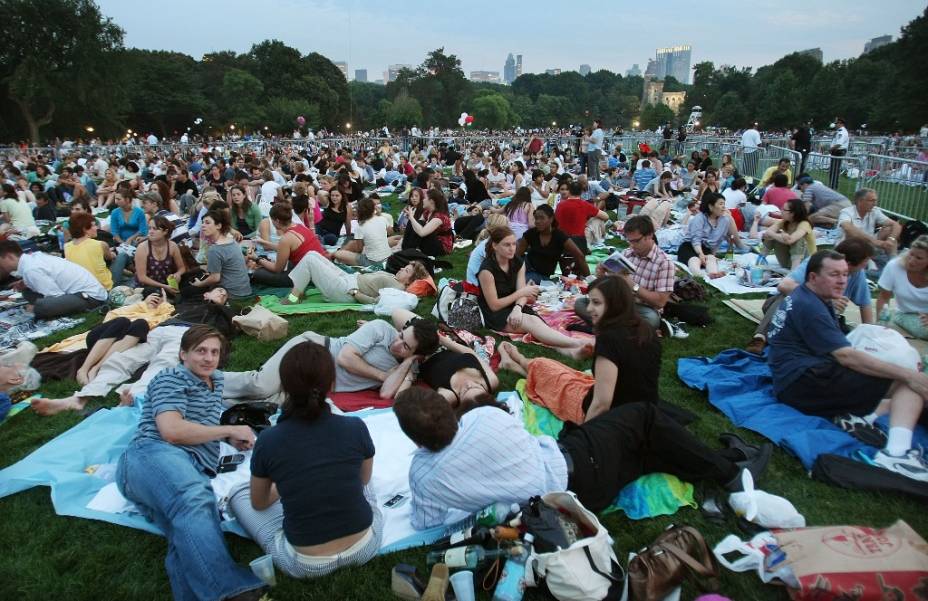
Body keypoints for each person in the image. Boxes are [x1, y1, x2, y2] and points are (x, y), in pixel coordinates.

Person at [394, 387, 771, 528]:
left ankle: (729, 460)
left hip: (581, 500)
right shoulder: (484, 417)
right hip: (576, 462)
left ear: (413, 436)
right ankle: (730, 471)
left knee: (646, 451)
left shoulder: (422, 477)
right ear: (449, 409)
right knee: (643, 415)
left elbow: (427, 522)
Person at [114, 326, 267, 601]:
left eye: (214, 352)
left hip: (185, 465)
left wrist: (230, 440)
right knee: (194, 499)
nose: (208, 358)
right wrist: (227, 431)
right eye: (200, 351)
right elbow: (171, 431)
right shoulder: (172, 378)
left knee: (183, 528)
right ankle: (229, 590)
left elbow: (198, 424)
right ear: (183, 354)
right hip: (151, 454)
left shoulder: (214, 381)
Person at [767, 250, 928, 482]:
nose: (843, 280)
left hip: (794, 379)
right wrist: (908, 375)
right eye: (834, 274)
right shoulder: (811, 308)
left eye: (845, 274)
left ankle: (866, 417)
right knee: (908, 383)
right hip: (804, 382)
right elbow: (846, 357)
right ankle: (896, 454)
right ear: (812, 277)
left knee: (893, 384)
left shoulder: (808, 296)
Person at [228, 342, 382, 579]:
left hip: (306, 564)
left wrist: (287, 484)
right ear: (332, 383)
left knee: (238, 494)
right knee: (366, 487)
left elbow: (259, 503)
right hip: (365, 547)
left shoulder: (269, 440)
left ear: (285, 386)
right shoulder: (355, 427)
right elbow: (364, 479)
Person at [30, 287, 234, 416]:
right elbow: (178, 291)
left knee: (161, 365)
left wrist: (219, 305)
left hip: (189, 335)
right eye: (219, 291)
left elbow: (230, 331)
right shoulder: (189, 301)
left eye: (224, 294)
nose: (222, 294)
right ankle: (80, 398)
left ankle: (131, 399)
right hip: (162, 329)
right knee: (123, 359)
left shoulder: (225, 313)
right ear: (207, 293)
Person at [500, 275, 662, 423]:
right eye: (590, 301)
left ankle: (518, 361)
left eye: (596, 303)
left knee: (545, 367)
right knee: (562, 374)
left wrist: (584, 439)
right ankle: (517, 365)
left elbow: (601, 404)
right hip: (642, 413)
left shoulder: (610, 339)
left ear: (615, 304)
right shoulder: (646, 331)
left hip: (609, 420)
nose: (590, 308)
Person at [223, 317, 439, 402]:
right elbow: (345, 358)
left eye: (406, 347)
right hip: (311, 350)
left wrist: (408, 365)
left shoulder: (406, 366)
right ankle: (204, 377)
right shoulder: (381, 329)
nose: (397, 344)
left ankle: (205, 399)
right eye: (402, 335)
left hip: (318, 382)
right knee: (260, 387)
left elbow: (386, 394)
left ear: (416, 355)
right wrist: (382, 375)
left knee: (267, 404)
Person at [478, 226, 591, 359]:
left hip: (514, 305)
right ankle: (576, 343)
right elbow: (494, 305)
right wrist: (521, 294)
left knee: (539, 325)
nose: (512, 248)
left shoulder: (518, 262)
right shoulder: (486, 270)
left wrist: (518, 307)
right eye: (507, 245)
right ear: (495, 246)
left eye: (514, 244)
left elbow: (522, 293)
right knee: (532, 322)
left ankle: (570, 352)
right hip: (495, 314)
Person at [746, 239, 875, 354]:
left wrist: (870, 336)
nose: (842, 280)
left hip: (819, 316)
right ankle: (760, 337)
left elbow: (865, 304)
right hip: (790, 305)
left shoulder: (857, 274)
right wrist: (826, 300)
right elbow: (784, 286)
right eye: (865, 262)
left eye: (844, 275)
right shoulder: (818, 262)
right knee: (788, 299)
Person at [0, 240, 107, 319]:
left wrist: (35, 308)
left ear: (9, 257)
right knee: (27, 292)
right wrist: (26, 283)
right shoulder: (33, 258)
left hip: (91, 297)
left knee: (41, 307)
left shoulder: (30, 269)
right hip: (79, 292)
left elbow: (56, 295)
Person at [281, 251, 428, 305]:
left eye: (406, 270)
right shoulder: (395, 279)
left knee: (309, 261)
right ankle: (298, 292)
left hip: (346, 290)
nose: (402, 268)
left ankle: (293, 298)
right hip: (349, 279)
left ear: (409, 280)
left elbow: (377, 302)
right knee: (312, 254)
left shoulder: (398, 288)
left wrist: (356, 294)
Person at [248, 204, 328, 288]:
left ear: (277, 221)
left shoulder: (286, 239)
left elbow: (277, 269)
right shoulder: (300, 227)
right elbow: (289, 249)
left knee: (258, 273)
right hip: (321, 268)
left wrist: (257, 259)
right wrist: (265, 243)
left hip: (309, 276)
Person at [517, 205, 589, 283]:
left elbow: (580, 256)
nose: (537, 221)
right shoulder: (531, 233)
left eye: (542, 218)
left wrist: (589, 279)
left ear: (551, 219)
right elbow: (517, 255)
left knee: (524, 280)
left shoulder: (559, 236)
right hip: (527, 267)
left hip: (542, 276)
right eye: (536, 218)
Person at [678, 192, 742, 278]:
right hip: (689, 246)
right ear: (711, 206)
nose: (724, 207)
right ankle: (700, 275)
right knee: (695, 260)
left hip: (705, 247)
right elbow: (695, 239)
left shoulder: (725, 220)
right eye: (720, 204)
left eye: (724, 204)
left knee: (711, 259)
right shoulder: (699, 218)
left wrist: (713, 254)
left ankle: (713, 274)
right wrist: (700, 254)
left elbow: (719, 240)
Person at [876, 235, 928, 340]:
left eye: (919, 258)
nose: (912, 260)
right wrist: (880, 324)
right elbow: (883, 297)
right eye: (911, 254)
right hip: (906, 313)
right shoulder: (894, 267)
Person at [193, 209, 252, 298]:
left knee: (190, 290)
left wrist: (200, 284)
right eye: (202, 223)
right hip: (245, 290)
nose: (203, 226)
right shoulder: (232, 241)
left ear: (219, 226)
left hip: (231, 294)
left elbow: (215, 278)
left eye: (207, 223)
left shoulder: (215, 249)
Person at [835, 188, 901, 260]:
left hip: (869, 244)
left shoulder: (875, 211)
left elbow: (896, 225)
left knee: (889, 229)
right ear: (860, 201)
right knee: (850, 233)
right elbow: (847, 228)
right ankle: (868, 259)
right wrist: (875, 241)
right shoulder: (846, 212)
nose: (875, 204)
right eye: (871, 201)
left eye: (875, 200)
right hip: (849, 247)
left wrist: (890, 240)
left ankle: (893, 262)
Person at [759, 197, 816, 269]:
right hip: (789, 262)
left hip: (806, 264)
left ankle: (794, 273)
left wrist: (779, 235)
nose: (781, 211)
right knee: (772, 235)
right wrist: (780, 235)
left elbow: (791, 240)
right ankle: (759, 261)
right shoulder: (784, 222)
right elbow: (768, 232)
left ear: (793, 213)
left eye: (784, 209)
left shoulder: (804, 224)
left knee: (799, 240)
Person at [334, 197, 392, 267]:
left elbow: (359, 250)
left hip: (372, 262)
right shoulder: (382, 219)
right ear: (374, 208)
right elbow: (390, 233)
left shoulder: (360, 227)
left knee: (338, 254)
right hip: (388, 257)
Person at [554, 180, 608, 255]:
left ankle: (598, 239)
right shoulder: (585, 205)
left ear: (569, 191)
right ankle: (600, 238)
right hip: (579, 243)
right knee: (598, 219)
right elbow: (606, 217)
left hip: (562, 242)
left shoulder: (560, 205)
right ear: (581, 192)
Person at [134, 216, 186, 293]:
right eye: (149, 228)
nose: (150, 231)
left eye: (155, 229)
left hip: (166, 283)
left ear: (165, 232)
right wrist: (165, 287)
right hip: (146, 287)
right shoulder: (142, 248)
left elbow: (182, 268)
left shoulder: (172, 246)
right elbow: (142, 277)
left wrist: (177, 274)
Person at [64, 212, 115, 290]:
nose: (96, 228)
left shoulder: (66, 246)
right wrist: (112, 253)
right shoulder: (100, 244)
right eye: (94, 225)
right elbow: (110, 258)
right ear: (85, 229)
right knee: (122, 256)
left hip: (82, 288)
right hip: (104, 287)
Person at [400, 188, 453, 256]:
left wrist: (411, 217)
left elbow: (422, 233)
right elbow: (417, 226)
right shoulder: (427, 212)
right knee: (414, 223)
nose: (423, 200)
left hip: (442, 247)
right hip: (432, 242)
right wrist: (411, 219)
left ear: (431, 201)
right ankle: (406, 250)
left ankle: (407, 251)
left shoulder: (439, 217)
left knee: (415, 222)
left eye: (425, 198)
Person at [829, 118, 849, 190]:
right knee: (833, 170)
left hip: (838, 152)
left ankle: (833, 187)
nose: (836, 125)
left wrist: (830, 149)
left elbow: (839, 144)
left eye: (837, 123)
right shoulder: (839, 131)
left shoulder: (842, 132)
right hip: (836, 151)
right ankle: (832, 185)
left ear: (841, 124)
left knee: (835, 170)